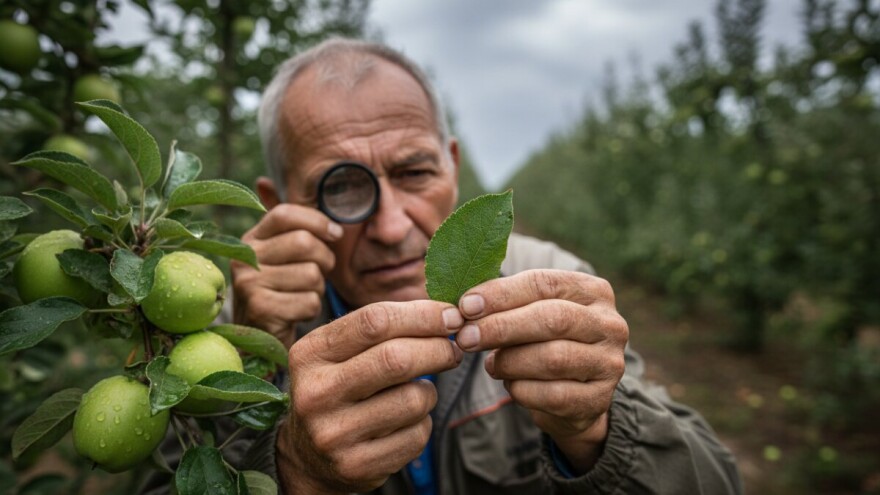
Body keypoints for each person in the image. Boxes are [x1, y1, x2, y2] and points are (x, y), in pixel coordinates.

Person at [223, 37, 743, 494]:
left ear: (451, 165)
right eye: (342, 187)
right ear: (280, 203)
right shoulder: (228, 329)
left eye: (414, 171)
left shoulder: (551, 288)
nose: (390, 227)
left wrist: (596, 431)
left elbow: (716, 481)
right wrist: (283, 448)